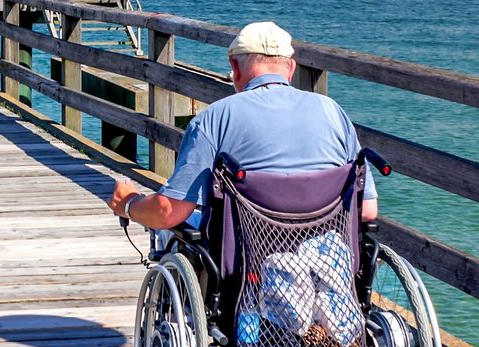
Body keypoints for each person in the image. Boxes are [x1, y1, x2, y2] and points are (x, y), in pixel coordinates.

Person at [107, 21, 376, 230]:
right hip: (327, 261)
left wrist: (130, 203)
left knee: (175, 231)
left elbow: (169, 212)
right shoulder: (333, 112)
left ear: (234, 67)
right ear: (291, 68)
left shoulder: (215, 118)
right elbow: (367, 210)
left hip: (246, 264)